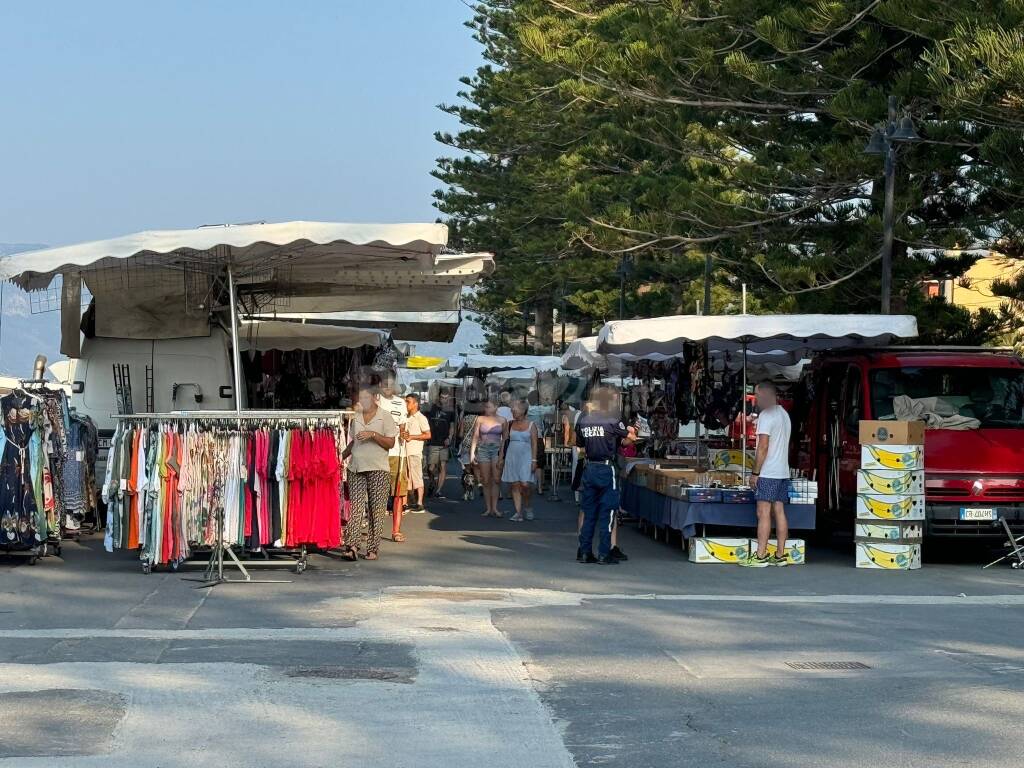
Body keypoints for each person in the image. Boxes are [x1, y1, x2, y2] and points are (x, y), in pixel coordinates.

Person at [576, 387, 636, 564]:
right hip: (606, 468)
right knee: (607, 512)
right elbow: (629, 439)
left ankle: (585, 551)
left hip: (589, 468)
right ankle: (604, 552)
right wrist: (632, 431)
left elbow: (580, 445)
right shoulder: (612, 421)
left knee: (589, 512)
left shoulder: (584, 421)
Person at [342, 386, 397, 561]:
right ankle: (351, 545)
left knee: (376, 510)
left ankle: (373, 548)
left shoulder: (385, 417)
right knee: (356, 507)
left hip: (378, 469)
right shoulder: (356, 418)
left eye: (366, 398)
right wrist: (341, 456)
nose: (362, 401)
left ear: (375, 398)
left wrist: (373, 434)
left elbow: (390, 443)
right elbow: (353, 443)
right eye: (360, 398)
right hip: (356, 467)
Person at [741, 380, 792, 567]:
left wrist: (755, 473)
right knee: (779, 511)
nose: (756, 398)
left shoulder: (766, 416)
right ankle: (780, 554)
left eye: (757, 394)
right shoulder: (784, 415)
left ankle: (760, 555)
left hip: (768, 471)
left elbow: (762, 446)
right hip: (782, 471)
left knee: (763, 512)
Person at [377, 377, 409, 542]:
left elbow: (403, 425)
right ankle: (374, 529)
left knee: (398, 493)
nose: (387, 387)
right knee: (376, 493)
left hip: (397, 452)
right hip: (377, 452)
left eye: (390, 384)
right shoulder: (375, 400)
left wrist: (404, 433)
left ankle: (396, 530)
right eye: (384, 384)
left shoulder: (401, 403)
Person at [501, 400, 538, 522]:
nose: (512, 411)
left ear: (522, 411)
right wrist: (501, 457)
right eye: (512, 410)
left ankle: (527, 506)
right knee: (515, 485)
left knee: (525, 484)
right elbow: (504, 441)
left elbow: (534, 444)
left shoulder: (532, 425)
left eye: (514, 410)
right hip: (512, 456)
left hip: (526, 457)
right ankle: (518, 513)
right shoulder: (510, 424)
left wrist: (534, 460)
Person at [470, 400, 508, 517]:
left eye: (488, 407)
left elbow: (505, 439)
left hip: (496, 449)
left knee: (496, 479)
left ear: (496, 407)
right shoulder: (480, 419)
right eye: (485, 407)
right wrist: (472, 453)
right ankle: (488, 508)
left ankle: (495, 508)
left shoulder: (502, 420)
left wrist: (501, 455)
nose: (486, 408)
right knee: (486, 480)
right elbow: (475, 436)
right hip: (483, 449)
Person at [403, 393, 431, 513]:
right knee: (407, 478)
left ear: (415, 404)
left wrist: (412, 437)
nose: (406, 404)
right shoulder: (405, 417)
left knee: (417, 477)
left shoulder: (421, 418)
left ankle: (420, 503)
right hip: (404, 452)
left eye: (408, 402)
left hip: (414, 452)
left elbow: (428, 435)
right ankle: (408, 502)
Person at [425, 390, 455, 498]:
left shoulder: (450, 410)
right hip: (433, 441)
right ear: (439, 397)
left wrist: (450, 437)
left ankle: (438, 490)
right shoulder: (432, 408)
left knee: (442, 466)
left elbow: (452, 426)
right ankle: (432, 482)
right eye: (443, 397)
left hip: (444, 442)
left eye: (446, 398)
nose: (444, 400)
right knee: (430, 468)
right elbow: (425, 422)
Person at [526, 391, 553, 494]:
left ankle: (528, 485)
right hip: (538, 437)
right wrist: (548, 401)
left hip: (527, 438)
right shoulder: (542, 409)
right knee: (539, 463)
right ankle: (540, 488)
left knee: (528, 461)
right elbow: (552, 408)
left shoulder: (527, 409)